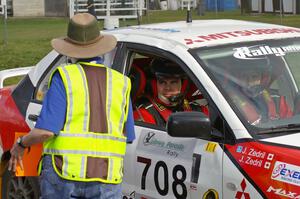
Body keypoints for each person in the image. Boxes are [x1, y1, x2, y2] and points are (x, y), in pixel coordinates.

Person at [8, 13, 135, 199]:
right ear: (100, 47)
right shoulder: (121, 83)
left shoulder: (64, 77)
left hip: (64, 175)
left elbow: (46, 132)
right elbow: (128, 136)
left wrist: (20, 144)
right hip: (108, 178)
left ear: (69, 48)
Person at [133, 58, 208, 127]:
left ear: (183, 85)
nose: (168, 88)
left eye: (173, 82)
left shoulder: (199, 111)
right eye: (162, 82)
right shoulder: (144, 114)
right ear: (154, 85)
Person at [227, 58, 293, 125]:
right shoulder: (229, 101)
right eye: (244, 76)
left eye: (254, 77)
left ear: (262, 78)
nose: (249, 81)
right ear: (238, 78)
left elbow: (289, 123)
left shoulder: (276, 99)